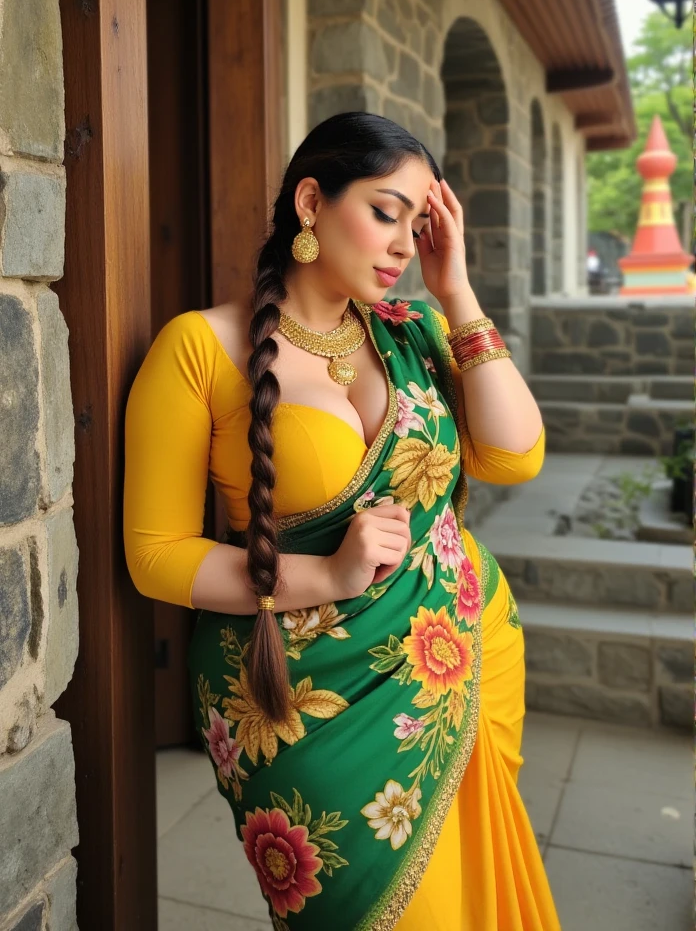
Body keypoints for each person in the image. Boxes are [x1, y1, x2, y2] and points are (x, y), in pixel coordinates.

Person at [123, 112, 561, 930]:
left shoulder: (419, 330)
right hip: (297, 692)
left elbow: (515, 455)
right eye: (387, 211)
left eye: (419, 222)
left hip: (461, 652)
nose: (404, 245)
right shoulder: (201, 348)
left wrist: (456, 290)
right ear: (312, 201)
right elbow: (154, 556)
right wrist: (326, 575)